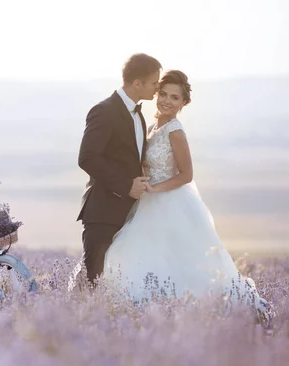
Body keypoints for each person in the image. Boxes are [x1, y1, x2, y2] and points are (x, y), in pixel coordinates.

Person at [102, 70, 271, 317]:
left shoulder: (175, 131)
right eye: (163, 94)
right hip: (148, 204)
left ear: (183, 103)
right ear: (156, 94)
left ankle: (193, 311)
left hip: (171, 202)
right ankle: (147, 312)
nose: (167, 101)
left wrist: (156, 188)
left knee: (179, 262)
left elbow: (186, 174)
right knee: (141, 256)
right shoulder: (151, 127)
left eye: (175, 97)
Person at [73, 53, 162, 287]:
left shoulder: (138, 114)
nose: (158, 87)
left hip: (130, 215)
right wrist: (126, 185)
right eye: (155, 82)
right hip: (103, 214)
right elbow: (87, 158)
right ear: (137, 83)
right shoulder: (104, 110)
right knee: (95, 284)